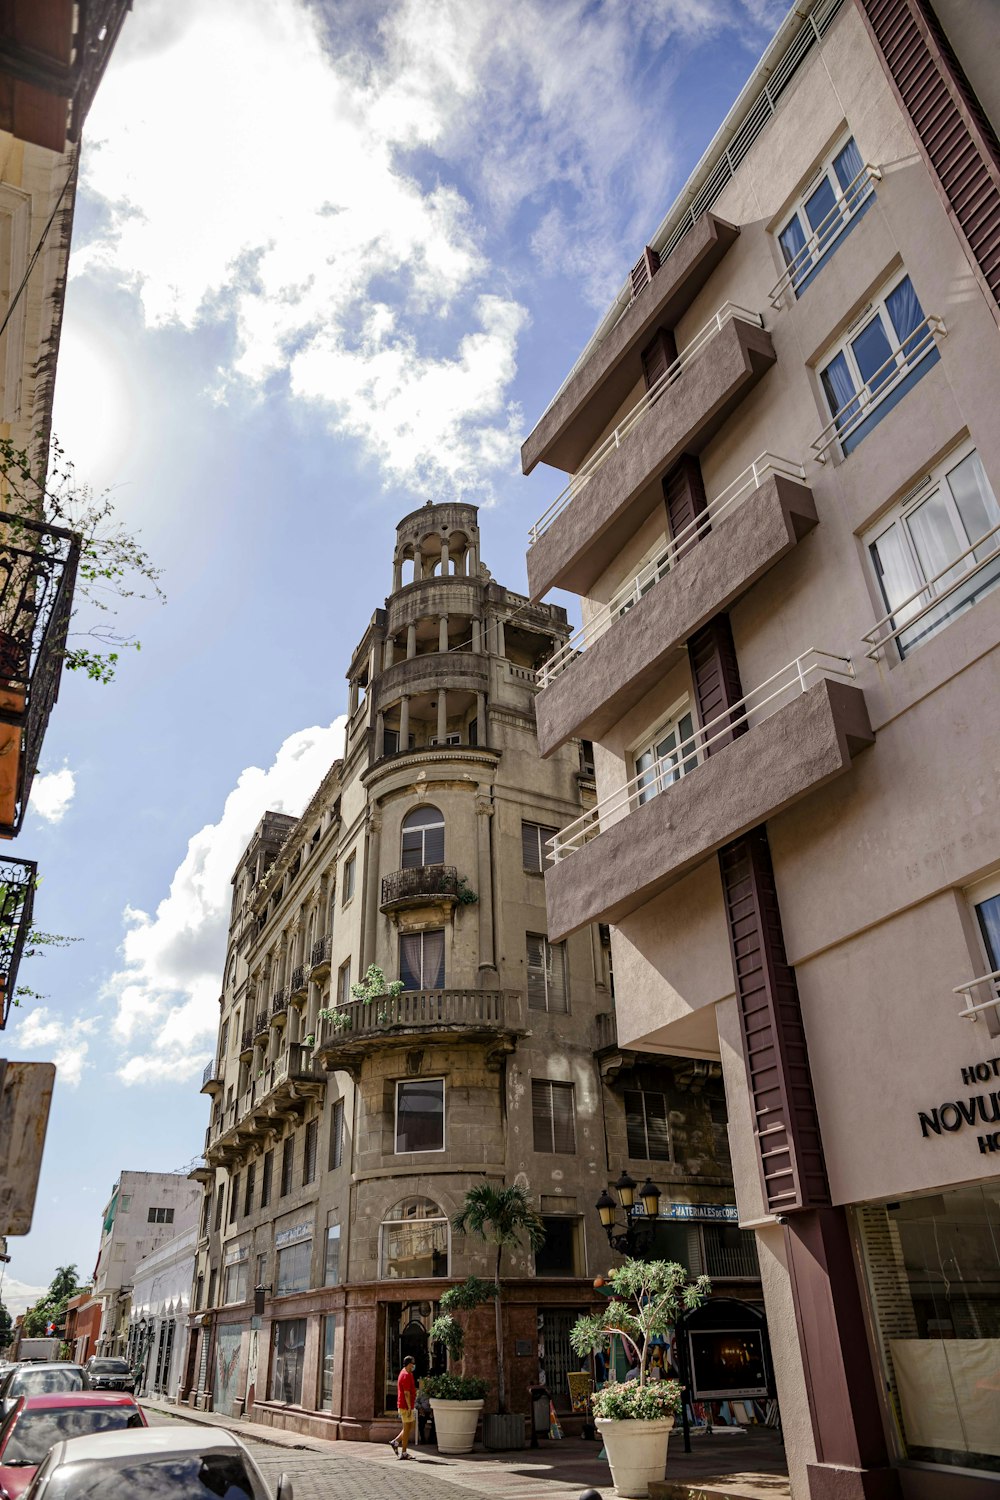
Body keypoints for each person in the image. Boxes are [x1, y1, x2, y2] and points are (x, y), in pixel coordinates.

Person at [391, 1355, 417, 1460]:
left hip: (407, 1406)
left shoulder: (408, 1374)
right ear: (409, 1364)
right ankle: (404, 1452)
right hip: (405, 1406)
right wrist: (410, 1408)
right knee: (407, 1429)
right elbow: (406, 1393)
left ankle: (396, 1442)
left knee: (409, 1427)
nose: (414, 1366)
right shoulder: (405, 1375)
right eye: (412, 1364)